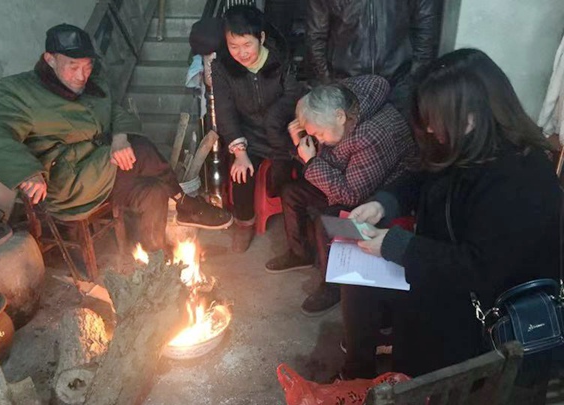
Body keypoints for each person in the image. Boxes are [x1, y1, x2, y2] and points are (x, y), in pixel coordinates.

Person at [341, 49, 561, 382]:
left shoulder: (519, 178)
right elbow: (425, 174)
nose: (429, 129)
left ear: (473, 113)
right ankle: (359, 375)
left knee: (412, 336)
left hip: (485, 313)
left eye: (436, 118)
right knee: (355, 280)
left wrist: (397, 245)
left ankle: (405, 379)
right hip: (443, 272)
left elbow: (479, 269)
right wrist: (385, 203)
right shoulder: (467, 142)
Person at [0, 23, 232, 254]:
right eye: (73, 66)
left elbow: (115, 111)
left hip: (101, 172)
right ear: (50, 59)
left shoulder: (92, 84)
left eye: (87, 65)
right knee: (141, 150)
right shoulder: (20, 92)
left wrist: (120, 138)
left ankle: (155, 262)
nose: (82, 75)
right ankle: (186, 204)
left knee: (153, 190)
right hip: (68, 182)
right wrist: (27, 173)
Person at [265, 75, 417, 316]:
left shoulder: (371, 135)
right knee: (292, 193)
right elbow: (332, 159)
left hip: (378, 195)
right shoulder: (343, 103)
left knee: (327, 221)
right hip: (347, 177)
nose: (318, 140)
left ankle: (333, 285)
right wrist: (302, 146)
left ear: (339, 116)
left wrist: (311, 161)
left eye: (319, 134)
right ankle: (300, 253)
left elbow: (350, 194)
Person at [211, 5, 305, 253]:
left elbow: (293, 94)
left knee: (294, 176)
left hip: (283, 132)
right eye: (234, 46)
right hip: (249, 135)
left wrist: (276, 119)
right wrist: (239, 151)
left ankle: (298, 225)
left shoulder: (280, 59)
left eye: (247, 45)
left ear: (261, 38)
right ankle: (244, 223)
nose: (241, 53)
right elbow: (225, 110)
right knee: (241, 174)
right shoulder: (222, 68)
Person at [305, 0, 442, 115]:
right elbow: (316, 35)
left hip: (398, 80)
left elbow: (426, 23)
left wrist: (416, 73)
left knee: (400, 136)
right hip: (347, 83)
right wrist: (327, 80)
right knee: (353, 138)